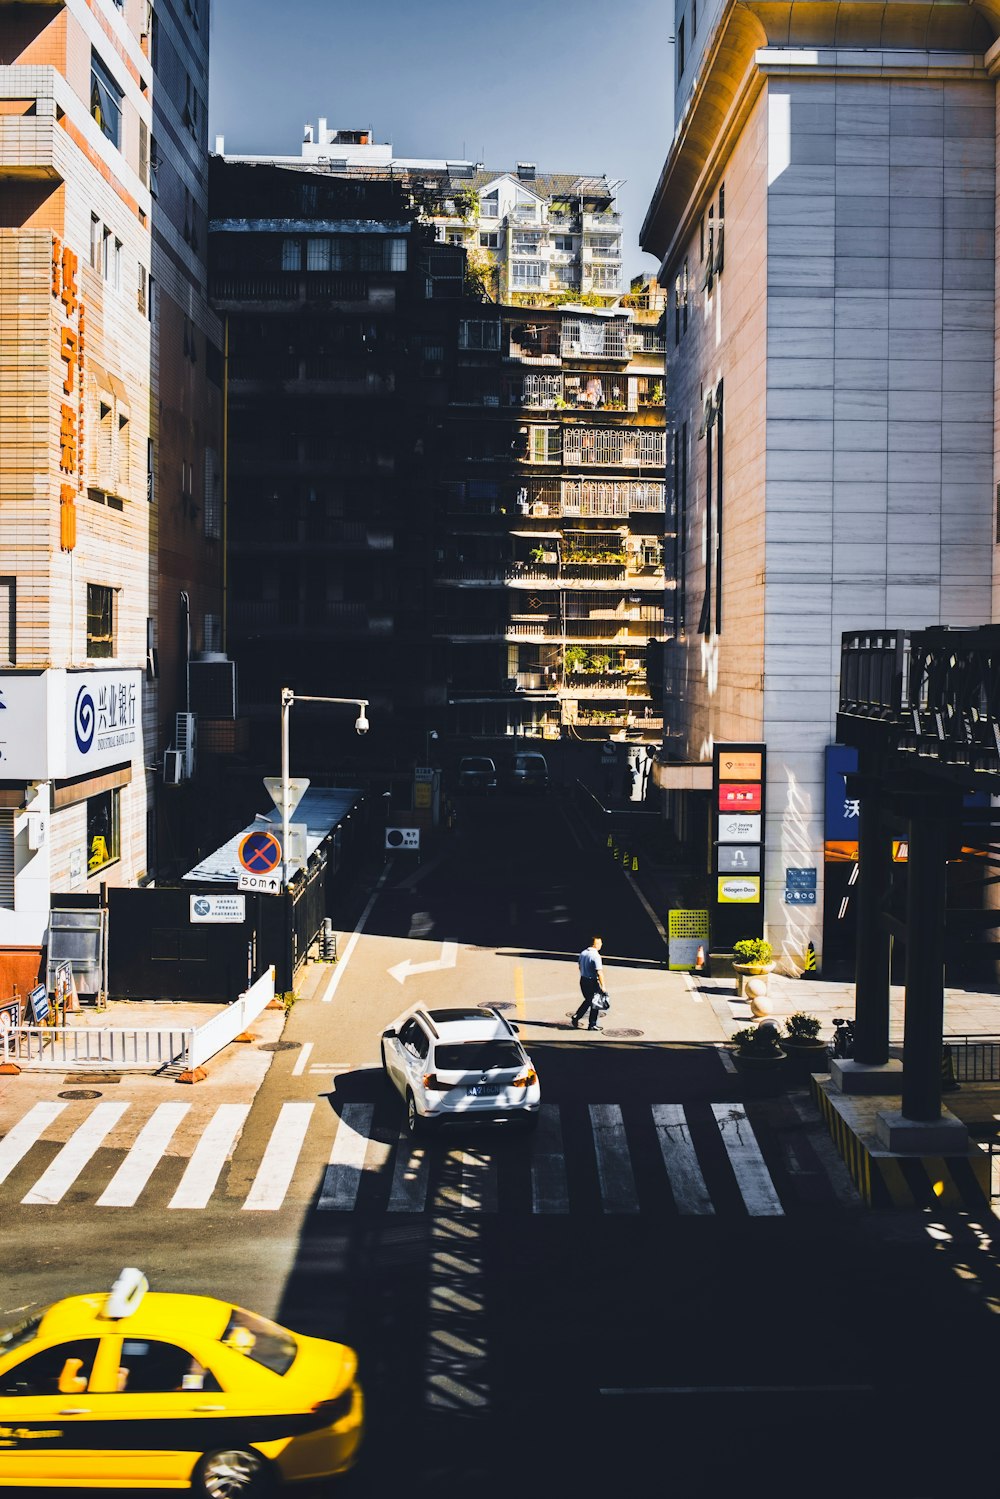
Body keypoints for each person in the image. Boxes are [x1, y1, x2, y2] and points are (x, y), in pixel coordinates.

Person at [570, 936, 609, 1031]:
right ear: (595, 944)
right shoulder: (596, 956)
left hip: (583, 980)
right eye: (599, 943)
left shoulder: (583, 953)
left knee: (588, 1000)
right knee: (596, 1003)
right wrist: (603, 986)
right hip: (592, 981)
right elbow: (599, 972)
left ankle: (577, 1016)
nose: (601, 944)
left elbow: (579, 966)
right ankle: (592, 1024)